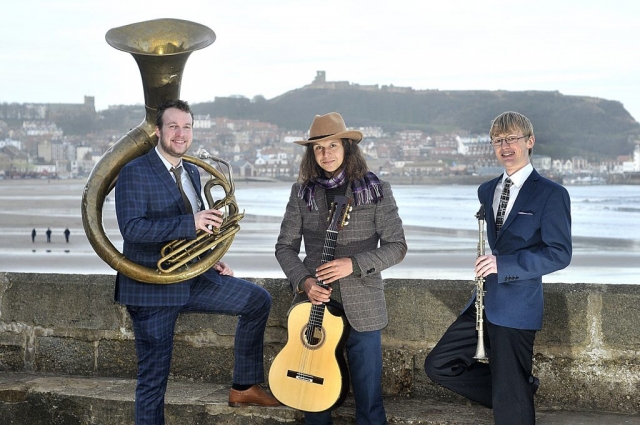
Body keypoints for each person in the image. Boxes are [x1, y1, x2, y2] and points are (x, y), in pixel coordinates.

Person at [114, 99, 279, 425]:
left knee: (258, 300)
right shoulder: (134, 171)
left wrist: (210, 258)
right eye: (173, 126)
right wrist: (190, 222)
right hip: (152, 288)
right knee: (153, 381)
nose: (180, 133)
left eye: (186, 127)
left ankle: (244, 386)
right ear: (158, 131)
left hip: (193, 275)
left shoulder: (191, 170)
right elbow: (132, 230)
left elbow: (202, 228)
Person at [424, 111, 572, 425]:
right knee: (439, 365)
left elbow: (559, 254)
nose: (504, 146)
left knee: (510, 408)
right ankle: (519, 388)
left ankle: (515, 392)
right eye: (498, 140)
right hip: (483, 301)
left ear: (529, 142)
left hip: (518, 305)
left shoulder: (552, 194)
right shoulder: (486, 190)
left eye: (512, 139)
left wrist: (501, 265)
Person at [275, 112, 407, 424]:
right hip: (315, 300)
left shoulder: (376, 190)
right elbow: (285, 247)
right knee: (312, 392)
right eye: (318, 148)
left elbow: (397, 246)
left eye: (332, 145)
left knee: (370, 399)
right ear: (312, 153)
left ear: (347, 147)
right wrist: (304, 282)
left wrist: (355, 264)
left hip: (364, 300)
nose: (326, 154)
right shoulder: (301, 192)